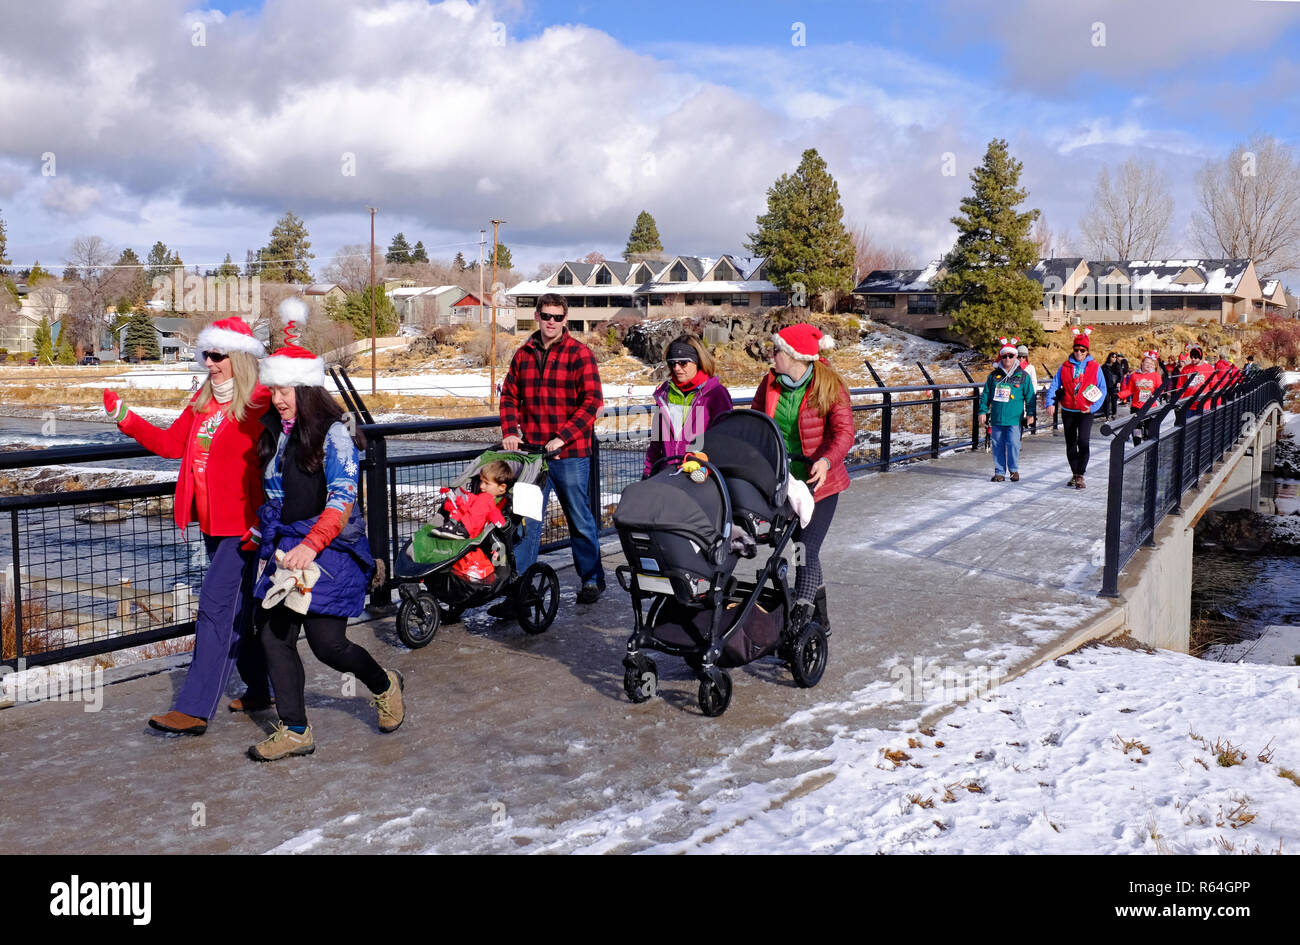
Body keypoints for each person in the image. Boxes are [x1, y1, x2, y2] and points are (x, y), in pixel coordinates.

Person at [246, 306, 404, 762]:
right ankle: (295, 729)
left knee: (328, 645)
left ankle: (384, 683)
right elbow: (277, 500)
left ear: (308, 388)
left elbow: (342, 498)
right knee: (274, 636)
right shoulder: (275, 436)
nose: (278, 398)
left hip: (331, 546)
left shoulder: (335, 435)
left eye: (286, 388)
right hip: (288, 548)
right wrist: (262, 539)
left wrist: (311, 545)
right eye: (273, 388)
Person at [104, 316, 273, 735]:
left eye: (218, 356)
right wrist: (126, 417)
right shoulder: (203, 402)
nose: (210, 363)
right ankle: (262, 686)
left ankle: (194, 709)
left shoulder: (260, 403)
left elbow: (278, 463)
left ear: (240, 358)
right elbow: (169, 445)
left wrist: (263, 522)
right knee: (240, 608)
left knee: (215, 610)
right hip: (213, 526)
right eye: (207, 356)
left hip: (244, 530)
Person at [495, 293, 605, 612]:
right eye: (546, 316)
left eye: (558, 317)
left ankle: (592, 579)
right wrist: (510, 431)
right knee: (527, 524)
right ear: (538, 316)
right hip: (532, 459)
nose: (552, 322)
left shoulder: (579, 354)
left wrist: (563, 437)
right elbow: (509, 398)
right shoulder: (523, 354)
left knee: (579, 518)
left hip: (570, 455)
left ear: (566, 319)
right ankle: (521, 590)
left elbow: (592, 403)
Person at [752, 323, 852, 633]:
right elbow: (756, 426)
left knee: (805, 550)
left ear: (795, 355)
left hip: (820, 484)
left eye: (777, 350)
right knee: (800, 549)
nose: (772, 355)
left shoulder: (829, 385)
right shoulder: (769, 384)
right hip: (785, 485)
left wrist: (825, 460)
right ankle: (821, 623)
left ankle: (801, 619)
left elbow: (844, 432)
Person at [643, 334, 733, 477]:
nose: (677, 368)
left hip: (701, 476)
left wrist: (706, 468)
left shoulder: (716, 394)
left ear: (698, 362)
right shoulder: (665, 393)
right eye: (673, 363)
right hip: (669, 474)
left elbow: (725, 442)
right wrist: (648, 472)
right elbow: (656, 441)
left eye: (683, 363)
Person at [1046, 325, 1106, 490]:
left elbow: (1102, 389)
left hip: (1085, 411)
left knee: (1083, 441)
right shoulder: (1064, 367)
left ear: (1087, 351)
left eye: (1082, 350)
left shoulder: (1094, 367)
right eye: (1076, 349)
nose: (1078, 353)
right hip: (1068, 410)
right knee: (1071, 443)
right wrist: (1050, 403)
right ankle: (1075, 474)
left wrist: (1093, 408)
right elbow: (1054, 385)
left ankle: (1081, 473)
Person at [979, 337, 1036, 482]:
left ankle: (1013, 470)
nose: (1007, 359)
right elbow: (985, 395)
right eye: (1004, 356)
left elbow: (1030, 396)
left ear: (1016, 357)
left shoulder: (1023, 376)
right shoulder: (993, 376)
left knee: (1013, 444)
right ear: (1001, 357)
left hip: (1014, 418)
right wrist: (982, 412)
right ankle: (999, 472)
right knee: (997, 444)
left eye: (1011, 356)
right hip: (997, 417)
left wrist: (1031, 414)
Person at [429, 460, 513, 540]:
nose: (481, 486)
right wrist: (454, 501)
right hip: (466, 525)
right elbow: (468, 504)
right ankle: (453, 524)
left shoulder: (492, 502)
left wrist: (502, 524)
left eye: (486, 483)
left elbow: (499, 521)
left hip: (473, 531)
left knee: (484, 498)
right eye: (481, 481)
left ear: (502, 488)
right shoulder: (480, 497)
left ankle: (462, 529)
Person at [1117, 350, 1163, 445]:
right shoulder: (1134, 376)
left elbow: (1161, 390)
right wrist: (1118, 395)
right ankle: (1137, 447)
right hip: (1136, 406)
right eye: (1146, 362)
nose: (1149, 365)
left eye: (1151, 363)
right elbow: (1130, 390)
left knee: (1148, 430)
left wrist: (1154, 394)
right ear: (1142, 363)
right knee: (1136, 428)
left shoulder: (1156, 376)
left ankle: (1148, 448)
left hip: (1150, 406)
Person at [1101, 352, 1123, 421]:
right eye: (1112, 357)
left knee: (1114, 401)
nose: (1114, 358)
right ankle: (1107, 416)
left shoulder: (1118, 366)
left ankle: (1114, 414)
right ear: (1109, 357)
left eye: (1115, 357)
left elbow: (1121, 376)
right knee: (1106, 401)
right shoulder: (1104, 366)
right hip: (1106, 386)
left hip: (1114, 386)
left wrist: (1119, 382)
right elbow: (1101, 376)